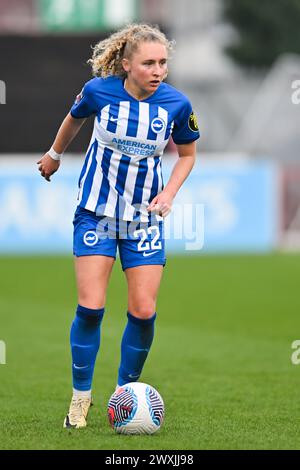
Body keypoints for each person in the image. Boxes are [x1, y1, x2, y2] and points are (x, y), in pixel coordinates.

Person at [37, 23, 200, 429]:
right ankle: (80, 397)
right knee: (91, 308)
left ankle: (123, 395)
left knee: (143, 313)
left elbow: (187, 155)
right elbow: (74, 118)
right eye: (148, 62)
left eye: (163, 62)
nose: (157, 69)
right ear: (127, 64)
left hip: (144, 220)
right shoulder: (99, 92)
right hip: (96, 213)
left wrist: (169, 194)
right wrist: (55, 154)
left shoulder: (177, 106)